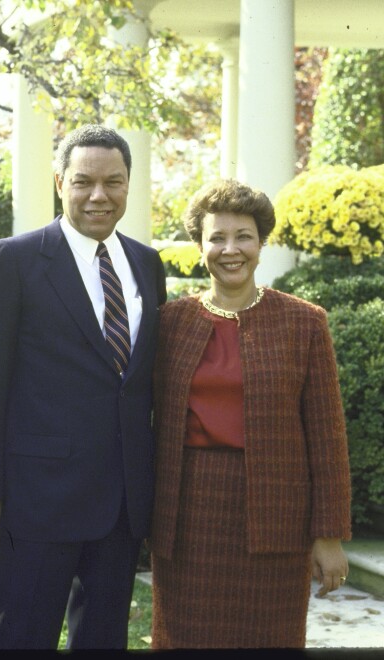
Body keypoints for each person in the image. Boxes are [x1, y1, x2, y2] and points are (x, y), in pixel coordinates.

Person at [0, 124, 167, 649]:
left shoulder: (148, 265)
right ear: (60, 182)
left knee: (103, 641)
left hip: (122, 505)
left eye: (113, 182)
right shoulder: (12, 259)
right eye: (84, 181)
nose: (99, 195)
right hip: (38, 501)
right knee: (21, 639)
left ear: (129, 185)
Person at [149, 178, 352, 648]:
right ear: (200, 245)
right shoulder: (170, 322)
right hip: (186, 520)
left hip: (276, 519)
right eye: (216, 237)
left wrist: (329, 535)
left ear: (261, 242)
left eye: (243, 236)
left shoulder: (305, 323)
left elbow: (327, 437)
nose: (230, 249)